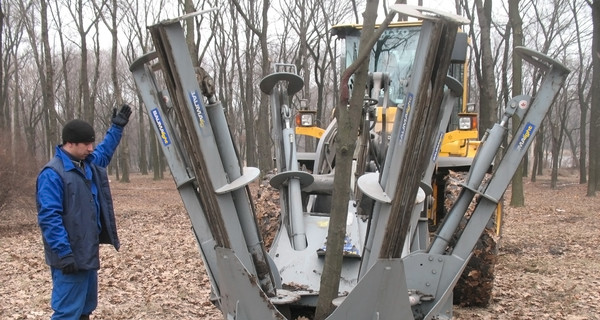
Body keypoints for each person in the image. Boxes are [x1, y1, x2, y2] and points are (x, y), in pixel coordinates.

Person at [36, 105, 132, 320]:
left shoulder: (87, 164)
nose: (91, 148)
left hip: (88, 251)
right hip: (69, 256)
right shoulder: (53, 174)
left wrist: (116, 128)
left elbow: (104, 151)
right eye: (86, 144)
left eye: (92, 143)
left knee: (86, 309)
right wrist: (64, 253)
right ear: (70, 143)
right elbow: (49, 218)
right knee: (67, 312)